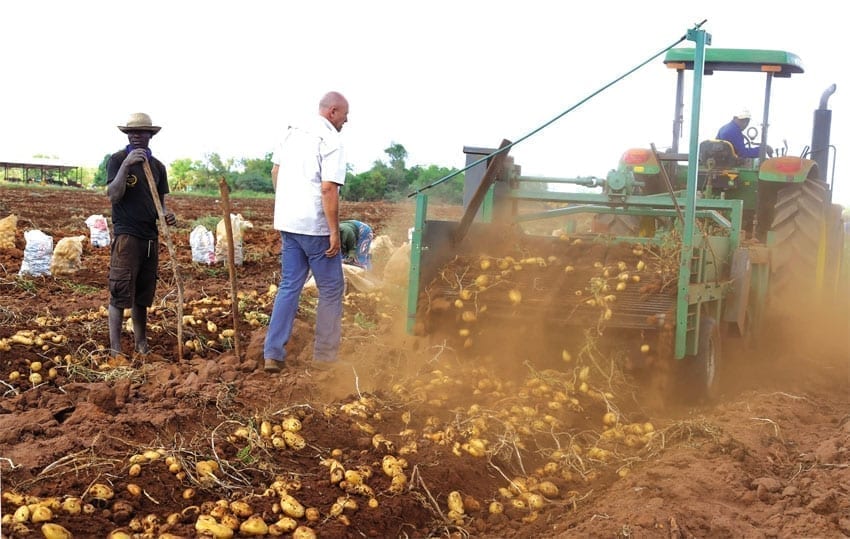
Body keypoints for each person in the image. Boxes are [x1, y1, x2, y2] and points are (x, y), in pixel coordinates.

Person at [263, 91, 350, 373]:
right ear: (333, 111)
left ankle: (273, 353)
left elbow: (275, 172)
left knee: (289, 285)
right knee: (332, 289)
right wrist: (333, 231)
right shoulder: (331, 140)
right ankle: (325, 357)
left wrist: (287, 205)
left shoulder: (292, 133)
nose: (345, 123)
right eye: (344, 118)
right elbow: (328, 188)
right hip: (315, 227)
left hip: (288, 223)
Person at [106, 112, 177, 358]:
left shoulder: (158, 167)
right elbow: (113, 195)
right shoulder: (117, 160)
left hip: (150, 237)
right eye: (132, 132)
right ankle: (115, 351)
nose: (137, 136)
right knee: (120, 290)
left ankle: (141, 344)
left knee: (143, 295)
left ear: (150, 135)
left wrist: (167, 216)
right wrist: (127, 165)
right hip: (127, 236)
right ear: (127, 135)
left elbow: (161, 204)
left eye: (142, 132)